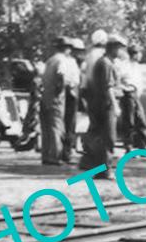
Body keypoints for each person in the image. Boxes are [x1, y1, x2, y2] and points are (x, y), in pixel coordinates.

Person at [79, 35, 125, 176]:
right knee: (108, 137)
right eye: (117, 48)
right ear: (111, 48)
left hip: (101, 103)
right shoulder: (105, 63)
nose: (119, 51)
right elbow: (108, 87)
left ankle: (96, 167)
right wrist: (115, 105)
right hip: (105, 105)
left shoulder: (105, 62)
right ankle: (105, 169)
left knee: (100, 136)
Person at [39, 37, 73, 165]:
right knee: (56, 127)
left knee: (46, 128)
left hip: (45, 96)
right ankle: (55, 156)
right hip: (55, 97)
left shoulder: (50, 60)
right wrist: (60, 91)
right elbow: (61, 77)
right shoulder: (62, 60)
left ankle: (46, 155)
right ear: (66, 49)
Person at [61, 37, 86, 161]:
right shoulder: (68, 62)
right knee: (68, 123)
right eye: (77, 51)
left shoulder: (80, 64)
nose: (79, 54)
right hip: (70, 94)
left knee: (75, 123)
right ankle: (66, 151)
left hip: (77, 94)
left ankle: (73, 147)